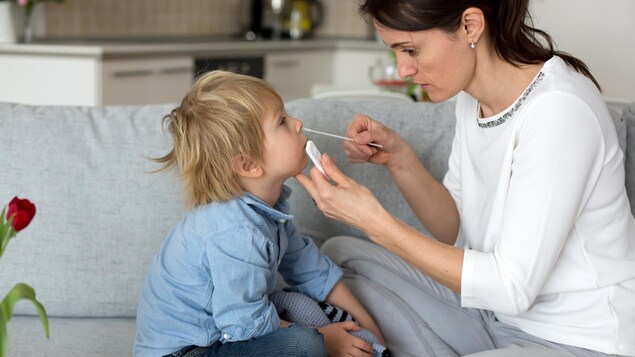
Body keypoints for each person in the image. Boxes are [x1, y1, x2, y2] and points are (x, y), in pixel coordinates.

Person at [295, 0, 635, 356]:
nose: (403, 70)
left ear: (471, 26)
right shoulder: (471, 103)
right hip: (495, 320)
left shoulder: (559, 111)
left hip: (579, 340)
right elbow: (457, 233)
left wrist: (375, 221)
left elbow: (511, 287)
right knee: (341, 254)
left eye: (410, 50)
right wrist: (400, 159)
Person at [134, 70, 385, 357]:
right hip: (188, 352)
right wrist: (327, 340)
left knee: (295, 305)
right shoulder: (236, 231)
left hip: (227, 334)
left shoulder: (269, 210)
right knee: (306, 345)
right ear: (249, 165)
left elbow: (310, 269)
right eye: (282, 121)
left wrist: (370, 328)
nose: (298, 122)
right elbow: (245, 325)